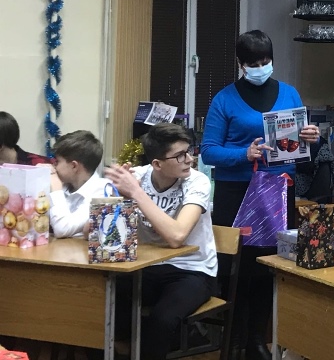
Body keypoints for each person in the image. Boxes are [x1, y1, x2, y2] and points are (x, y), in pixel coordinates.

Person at [200, 30, 320, 360]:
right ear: (241, 64)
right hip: (237, 194)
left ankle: (257, 339)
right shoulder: (224, 99)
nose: (260, 68)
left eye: (265, 61)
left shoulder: (290, 93)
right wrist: (244, 154)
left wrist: (311, 138)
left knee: (270, 265)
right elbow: (208, 151)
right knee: (239, 269)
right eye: (253, 63)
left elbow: (301, 149)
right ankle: (235, 339)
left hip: (278, 191)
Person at [106, 123, 217, 360]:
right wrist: (117, 195)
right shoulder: (137, 177)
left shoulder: (197, 181)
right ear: (157, 164)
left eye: (189, 151)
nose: (189, 159)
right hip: (147, 266)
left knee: (162, 319)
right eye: (180, 155)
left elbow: (177, 237)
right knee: (104, 297)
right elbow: (103, 231)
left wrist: (137, 194)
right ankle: (122, 349)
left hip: (192, 269)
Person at [50, 130, 109, 238]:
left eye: (57, 161)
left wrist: (56, 191)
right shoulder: (65, 184)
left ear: (74, 166)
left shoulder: (102, 191)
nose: (54, 166)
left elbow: (62, 229)